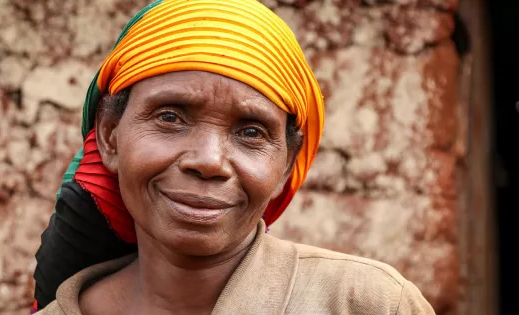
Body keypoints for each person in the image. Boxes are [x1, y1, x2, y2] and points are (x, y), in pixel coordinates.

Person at [33, 0, 436, 314]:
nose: (208, 161)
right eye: (170, 117)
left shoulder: (368, 305)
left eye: (251, 132)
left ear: (287, 165)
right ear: (109, 137)